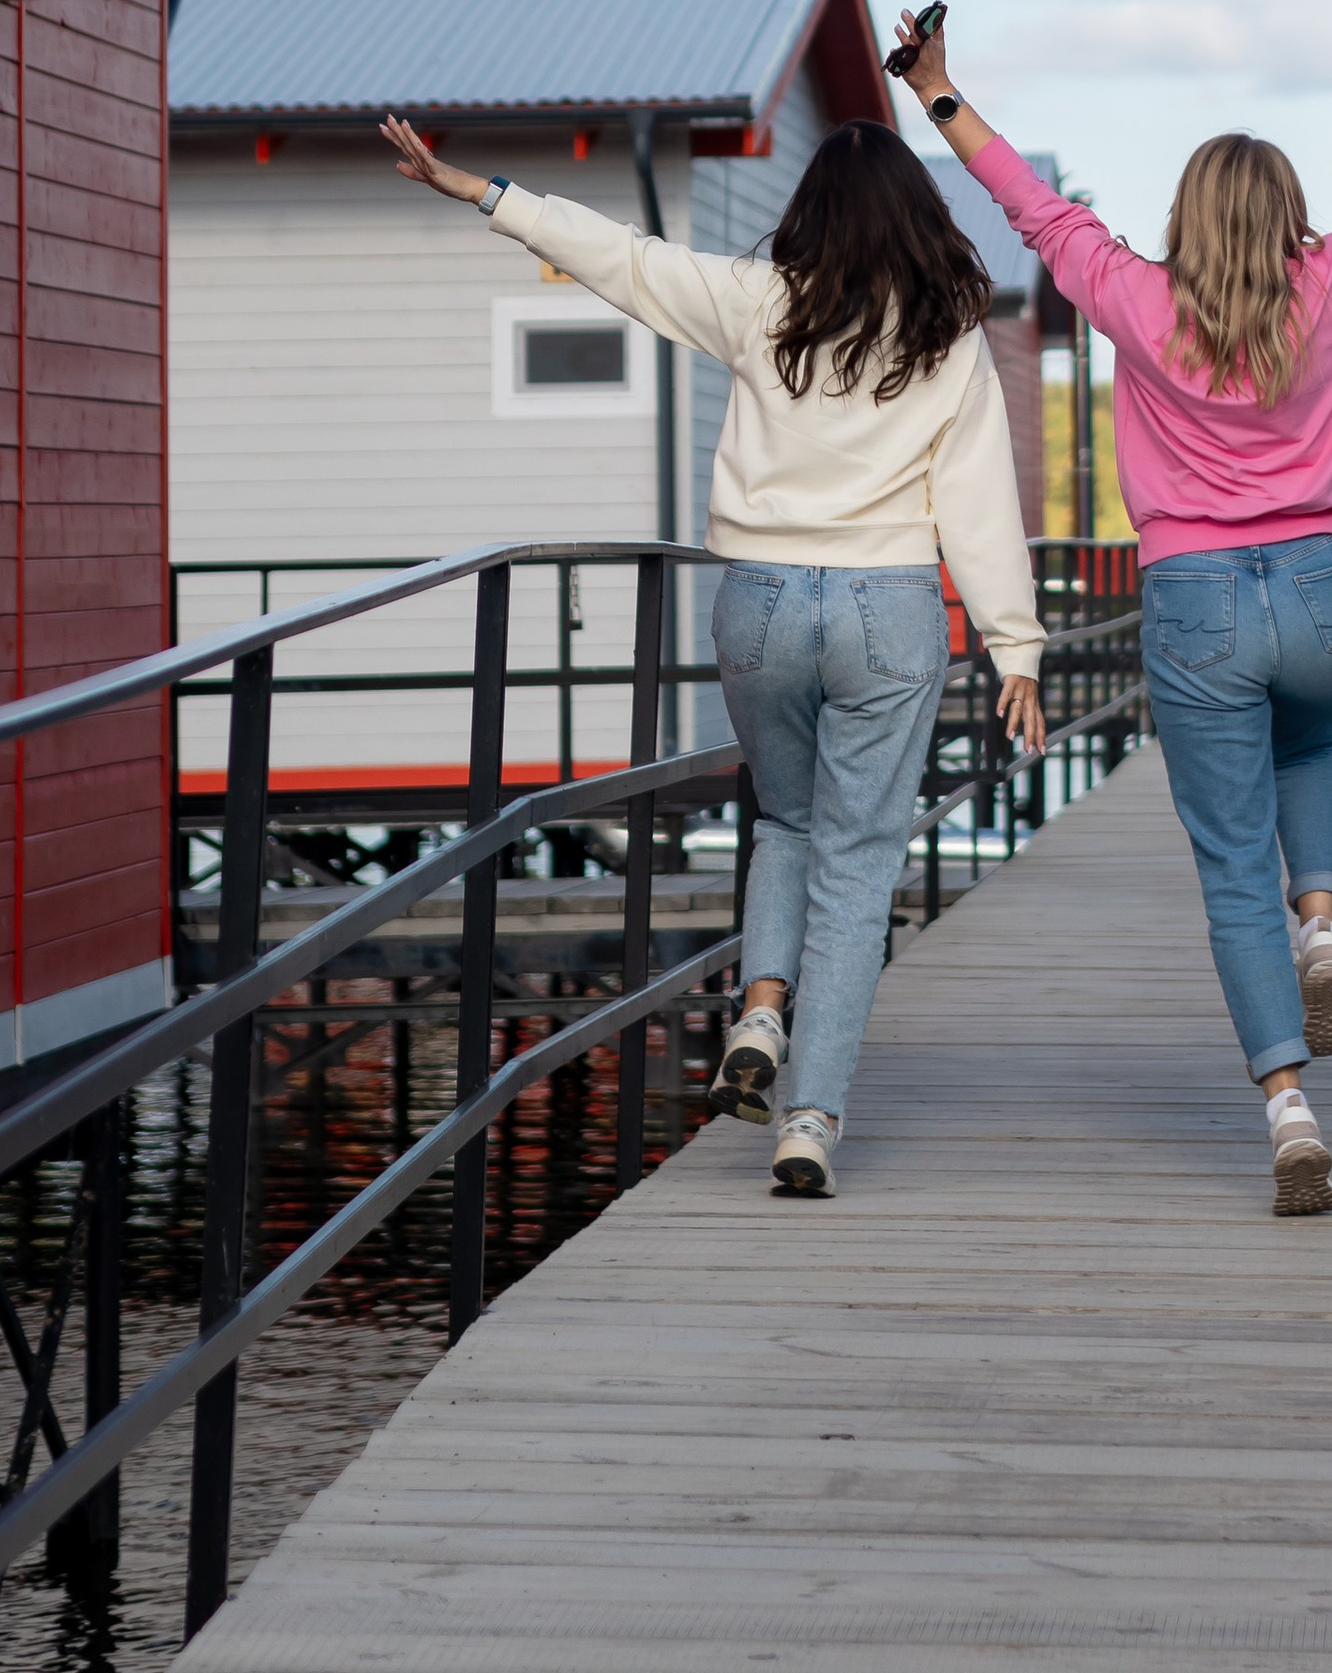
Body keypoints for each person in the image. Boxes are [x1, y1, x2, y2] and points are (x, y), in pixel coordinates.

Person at [894, 0, 1332, 1219]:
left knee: (1226, 861)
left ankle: (1288, 1110)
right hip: (1323, 586)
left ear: (1187, 217)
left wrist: (939, 91)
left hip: (1198, 597)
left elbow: (1034, 208)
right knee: (1308, 745)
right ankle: (1323, 921)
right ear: (1289, 213)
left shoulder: (1134, 299)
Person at [380, 112, 1045, 1201]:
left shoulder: (760, 302)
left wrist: (485, 192)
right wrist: (1015, 643)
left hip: (761, 602)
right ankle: (810, 1120)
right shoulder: (950, 336)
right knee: (857, 862)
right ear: (920, 220)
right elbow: (977, 505)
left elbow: (625, 261)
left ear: (812, 212)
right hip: (887, 605)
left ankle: (762, 1009)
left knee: (785, 820)